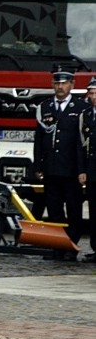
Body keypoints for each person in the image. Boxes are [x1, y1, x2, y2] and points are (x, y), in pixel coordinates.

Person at [33, 69, 87, 261]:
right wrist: (38, 165)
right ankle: (58, 245)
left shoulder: (81, 107)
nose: (60, 87)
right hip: (51, 167)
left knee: (73, 209)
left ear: (72, 85)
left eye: (64, 83)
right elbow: (39, 138)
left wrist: (82, 169)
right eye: (57, 83)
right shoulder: (45, 106)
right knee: (54, 210)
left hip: (71, 168)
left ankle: (71, 245)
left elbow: (82, 142)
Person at [79, 77, 96, 261]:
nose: (93, 97)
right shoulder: (86, 115)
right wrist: (82, 170)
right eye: (90, 93)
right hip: (92, 171)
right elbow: (82, 146)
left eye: (95, 93)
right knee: (93, 211)